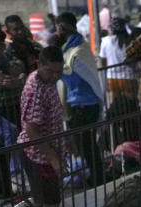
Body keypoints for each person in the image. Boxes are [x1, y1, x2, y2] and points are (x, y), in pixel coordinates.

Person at [16, 46, 67, 207]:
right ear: (40, 65)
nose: (55, 76)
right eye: (51, 71)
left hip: (47, 150)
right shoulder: (35, 89)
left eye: (59, 72)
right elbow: (31, 129)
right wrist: (52, 157)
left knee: (43, 198)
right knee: (51, 200)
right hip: (38, 154)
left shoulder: (48, 82)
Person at [55, 12, 105, 186]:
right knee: (86, 145)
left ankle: (97, 179)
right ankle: (96, 176)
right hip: (81, 105)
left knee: (87, 146)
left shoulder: (76, 51)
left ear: (60, 28)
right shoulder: (74, 48)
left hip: (85, 105)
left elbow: (75, 78)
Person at [99, 17, 138, 101]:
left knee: (117, 107)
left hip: (112, 78)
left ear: (111, 29)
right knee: (132, 106)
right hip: (129, 77)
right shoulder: (129, 41)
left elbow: (103, 60)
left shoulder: (105, 41)